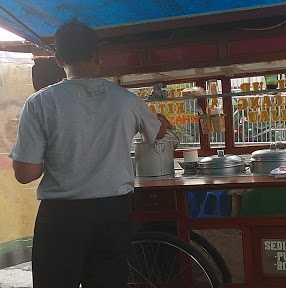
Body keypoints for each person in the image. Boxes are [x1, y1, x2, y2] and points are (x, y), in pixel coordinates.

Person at [10, 21, 170, 288]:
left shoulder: (40, 103)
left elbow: (26, 174)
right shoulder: (126, 100)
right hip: (113, 213)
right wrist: (161, 123)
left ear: (59, 59)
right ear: (98, 58)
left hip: (62, 217)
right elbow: (158, 133)